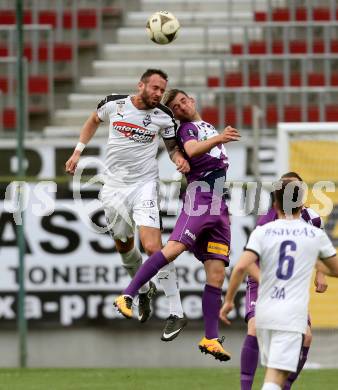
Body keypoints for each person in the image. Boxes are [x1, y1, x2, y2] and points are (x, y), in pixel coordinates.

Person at [114, 89, 240, 361]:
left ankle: (210, 338)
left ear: (192, 100)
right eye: (175, 106)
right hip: (200, 197)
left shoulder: (205, 124)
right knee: (171, 249)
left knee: (216, 274)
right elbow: (192, 150)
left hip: (219, 204)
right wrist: (220, 138)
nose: (181, 106)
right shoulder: (185, 130)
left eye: (183, 101)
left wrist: (217, 136)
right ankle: (127, 295)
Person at [65, 69, 190, 341]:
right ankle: (144, 291)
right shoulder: (114, 103)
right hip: (114, 187)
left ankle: (175, 311)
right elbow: (92, 120)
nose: (159, 94)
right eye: (155, 88)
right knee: (123, 245)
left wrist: (178, 159)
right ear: (141, 85)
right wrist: (78, 152)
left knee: (154, 247)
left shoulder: (164, 116)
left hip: (145, 184)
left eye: (162, 89)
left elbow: (171, 148)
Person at [220, 178, 338, 390]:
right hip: (292, 313)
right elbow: (336, 269)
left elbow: (240, 267)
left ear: (275, 204)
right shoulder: (314, 234)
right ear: (302, 205)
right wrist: (316, 264)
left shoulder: (263, 231)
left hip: (266, 308)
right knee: (276, 378)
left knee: (273, 374)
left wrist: (228, 301)